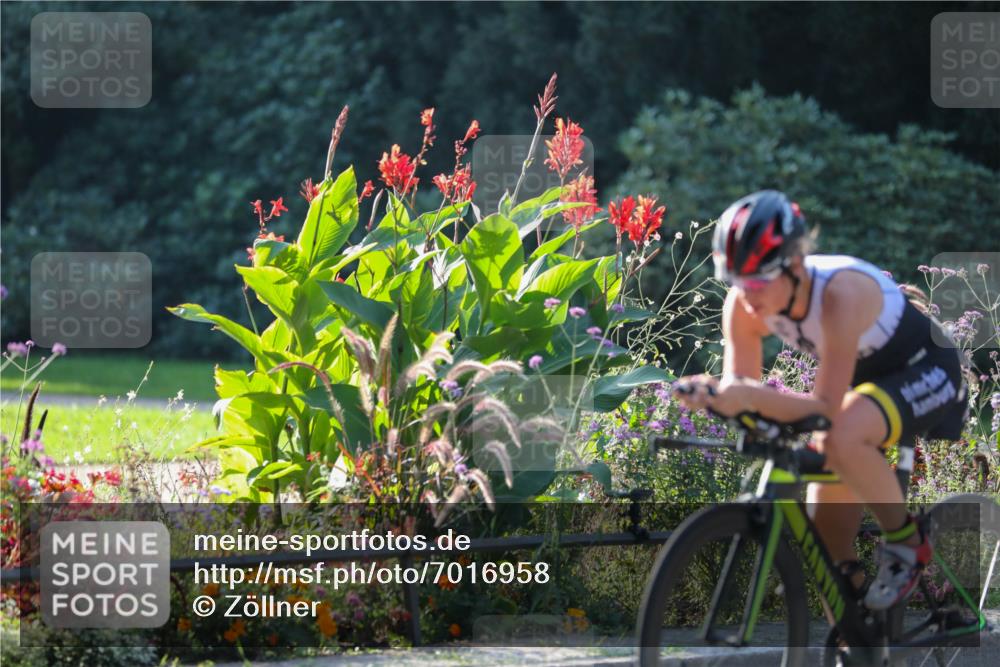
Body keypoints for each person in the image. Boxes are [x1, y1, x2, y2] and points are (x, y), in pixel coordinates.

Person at [674, 189, 968, 610]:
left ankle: (908, 542)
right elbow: (744, 391)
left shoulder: (837, 294)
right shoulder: (742, 304)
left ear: (794, 265)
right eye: (735, 280)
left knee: (839, 435)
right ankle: (856, 632)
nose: (746, 294)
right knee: (825, 534)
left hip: (927, 367)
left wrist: (744, 395)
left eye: (756, 281)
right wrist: (716, 395)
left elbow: (825, 410)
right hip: (860, 382)